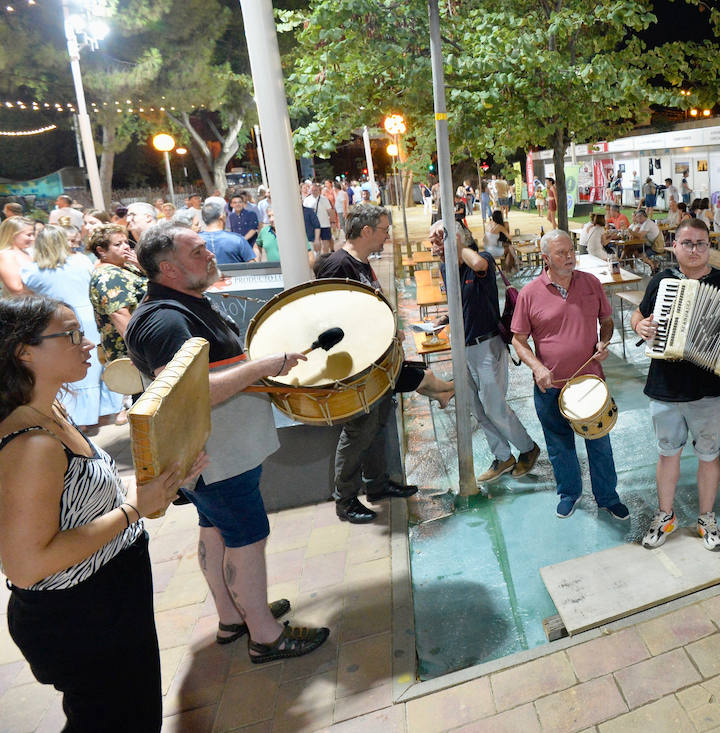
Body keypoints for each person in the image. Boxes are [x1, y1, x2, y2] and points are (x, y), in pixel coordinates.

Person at [125, 222, 330, 664]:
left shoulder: (182, 304)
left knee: (215, 531)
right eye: (198, 252)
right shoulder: (164, 320)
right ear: (168, 269)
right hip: (216, 460)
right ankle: (266, 636)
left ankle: (234, 616)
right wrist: (264, 366)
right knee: (246, 539)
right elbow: (189, 392)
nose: (210, 253)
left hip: (216, 456)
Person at [0, 294, 205, 731]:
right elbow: (26, 564)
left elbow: (85, 505)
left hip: (108, 596)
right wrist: (135, 509)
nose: (89, 343)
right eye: (71, 335)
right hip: (79, 615)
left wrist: (163, 482)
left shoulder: (52, 408)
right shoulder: (31, 444)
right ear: (23, 351)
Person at [314, 203, 450, 523]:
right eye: (384, 230)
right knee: (358, 431)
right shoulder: (338, 266)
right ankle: (345, 501)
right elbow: (333, 322)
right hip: (356, 368)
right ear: (366, 231)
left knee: (377, 425)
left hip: (377, 364)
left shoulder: (359, 263)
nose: (387, 238)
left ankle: (377, 486)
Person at [632, 218, 720, 551]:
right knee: (667, 454)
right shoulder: (661, 281)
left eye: (701, 243)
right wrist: (641, 326)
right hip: (665, 384)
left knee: (709, 455)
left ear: (709, 246)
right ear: (675, 245)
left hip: (710, 387)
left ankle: (706, 517)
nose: (694, 250)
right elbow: (639, 316)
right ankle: (665, 514)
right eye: (687, 243)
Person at [510, 231, 627, 519]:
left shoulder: (591, 283)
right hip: (551, 387)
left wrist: (604, 341)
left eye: (571, 251)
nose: (569, 257)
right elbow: (518, 340)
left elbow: (607, 320)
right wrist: (537, 367)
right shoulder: (529, 294)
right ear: (546, 259)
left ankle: (608, 497)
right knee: (559, 445)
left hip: (589, 383)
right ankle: (569, 493)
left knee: (599, 443)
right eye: (561, 253)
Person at [436, 219, 541, 483]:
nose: (435, 245)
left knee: (494, 407)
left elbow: (480, 264)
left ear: (456, 238)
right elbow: (460, 303)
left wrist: (455, 242)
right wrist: (446, 320)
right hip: (464, 349)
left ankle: (528, 448)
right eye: (434, 240)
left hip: (486, 345)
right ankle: (503, 456)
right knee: (478, 410)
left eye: (439, 239)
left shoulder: (482, 259)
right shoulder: (445, 267)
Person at [22, 228, 120, 432]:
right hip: (90, 316)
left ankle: (79, 418)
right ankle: (110, 409)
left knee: (71, 364)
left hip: (58, 323)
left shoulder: (31, 271)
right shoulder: (82, 262)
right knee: (96, 362)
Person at [88, 224, 147, 366]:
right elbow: (119, 314)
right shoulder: (109, 275)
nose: (126, 247)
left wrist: (142, 266)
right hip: (131, 356)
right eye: (118, 244)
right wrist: (141, 351)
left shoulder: (127, 266)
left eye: (126, 242)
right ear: (101, 251)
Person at [200, 197, 256, 264]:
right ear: (222, 216)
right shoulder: (237, 239)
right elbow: (252, 265)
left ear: (203, 218)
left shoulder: (194, 241)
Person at [0, 216, 36, 296]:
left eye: (33, 234)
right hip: (20, 305)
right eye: (29, 235)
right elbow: (17, 289)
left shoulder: (28, 252)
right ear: (13, 235)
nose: (32, 238)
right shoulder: (6, 255)